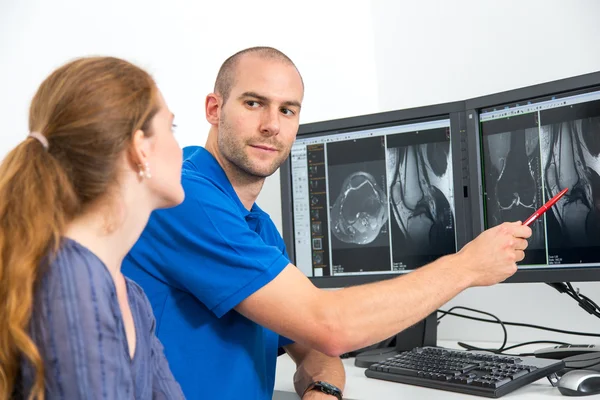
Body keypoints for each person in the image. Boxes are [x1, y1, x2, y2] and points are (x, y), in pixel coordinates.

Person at [123, 46, 532, 400]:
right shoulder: (186, 197)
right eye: (253, 103)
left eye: (287, 109)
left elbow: (315, 346)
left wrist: (325, 388)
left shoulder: (256, 225)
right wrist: (466, 267)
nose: (272, 124)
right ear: (214, 109)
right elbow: (331, 326)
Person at [0, 57, 185, 399]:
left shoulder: (132, 296)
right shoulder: (71, 278)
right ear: (140, 147)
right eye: (171, 129)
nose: (180, 149)